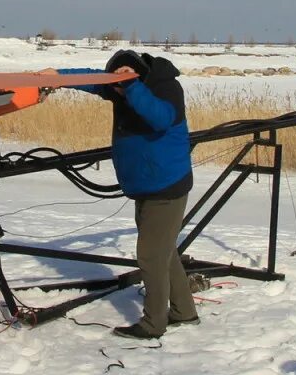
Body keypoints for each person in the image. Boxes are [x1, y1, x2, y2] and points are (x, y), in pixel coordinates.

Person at [54, 49, 200, 339]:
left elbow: (160, 118)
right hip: (146, 184)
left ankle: (153, 324)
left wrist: (130, 88)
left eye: (122, 85)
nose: (116, 93)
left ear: (138, 78)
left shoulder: (164, 87)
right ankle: (184, 311)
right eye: (116, 87)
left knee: (150, 255)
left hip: (166, 185)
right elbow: (94, 80)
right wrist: (57, 77)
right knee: (163, 250)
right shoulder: (121, 88)